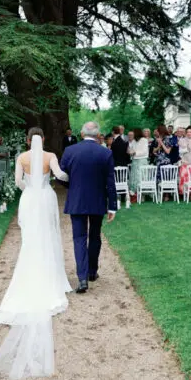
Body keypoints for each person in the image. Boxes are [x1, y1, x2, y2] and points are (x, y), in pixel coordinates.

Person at [0, 129, 71, 380]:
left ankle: (31, 270)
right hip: (46, 198)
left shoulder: (22, 158)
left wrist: (30, 188)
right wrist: (70, 174)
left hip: (29, 198)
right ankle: (51, 275)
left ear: (28, 140)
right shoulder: (50, 156)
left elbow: (18, 182)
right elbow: (59, 175)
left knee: (30, 239)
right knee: (49, 235)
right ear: (43, 139)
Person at [59, 121, 118, 293]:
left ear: (82, 133)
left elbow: (61, 177)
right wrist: (112, 206)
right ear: (98, 135)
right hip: (98, 200)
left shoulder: (70, 151)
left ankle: (83, 277)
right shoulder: (105, 153)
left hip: (77, 200)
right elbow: (110, 182)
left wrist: (73, 187)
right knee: (94, 236)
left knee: (79, 238)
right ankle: (92, 272)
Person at [127, 128, 148, 199]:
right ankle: (135, 194)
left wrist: (135, 152)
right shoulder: (133, 141)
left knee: (141, 177)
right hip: (135, 161)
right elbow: (131, 149)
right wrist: (130, 152)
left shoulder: (144, 140)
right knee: (134, 178)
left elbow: (145, 151)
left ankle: (142, 195)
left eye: (133, 134)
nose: (132, 136)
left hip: (142, 161)